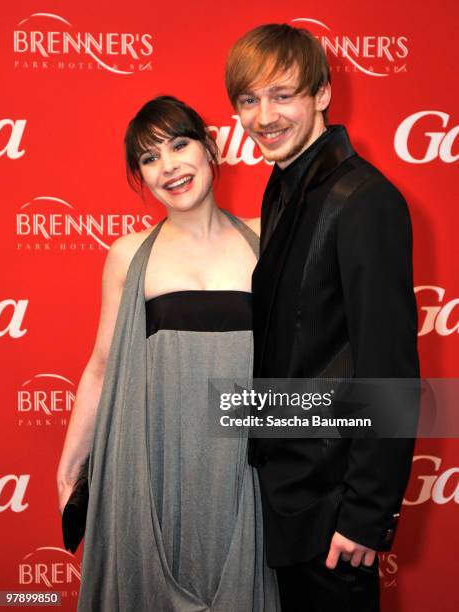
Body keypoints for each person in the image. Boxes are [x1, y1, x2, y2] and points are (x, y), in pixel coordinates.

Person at [56, 95, 280, 612]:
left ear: (212, 148)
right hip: (155, 463)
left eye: (179, 145)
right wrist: (69, 469)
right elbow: (101, 367)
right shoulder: (131, 254)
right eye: (150, 158)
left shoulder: (267, 240)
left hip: (246, 466)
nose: (169, 167)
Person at [225, 24, 420, 612]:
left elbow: (390, 369)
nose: (264, 116)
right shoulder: (285, 186)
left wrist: (365, 515)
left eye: (282, 94)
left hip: (334, 510)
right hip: (285, 491)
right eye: (248, 100)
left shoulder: (364, 200)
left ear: (322, 94)